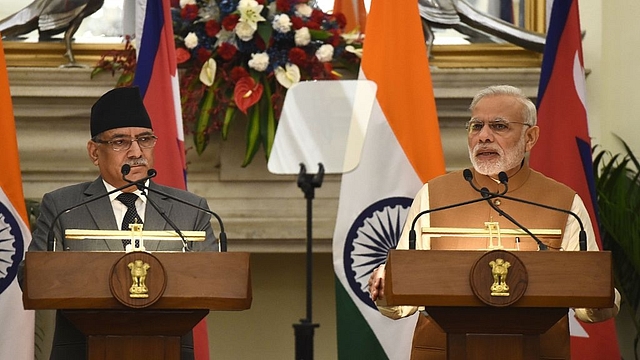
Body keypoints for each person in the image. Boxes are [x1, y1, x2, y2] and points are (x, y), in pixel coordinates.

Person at [367, 85, 620, 360]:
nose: (483, 137)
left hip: (537, 351)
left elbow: (591, 301)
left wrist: (603, 297)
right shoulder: (433, 195)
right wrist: (386, 288)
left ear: (530, 137)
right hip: (444, 352)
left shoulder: (563, 202)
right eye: (476, 126)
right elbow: (403, 299)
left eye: (499, 126)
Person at [21, 86, 218, 360]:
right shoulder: (63, 207)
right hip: (83, 351)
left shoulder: (189, 209)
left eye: (145, 139)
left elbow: (214, 278)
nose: (136, 152)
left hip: (168, 350)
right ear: (94, 152)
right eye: (120, 142)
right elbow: (30, 278)